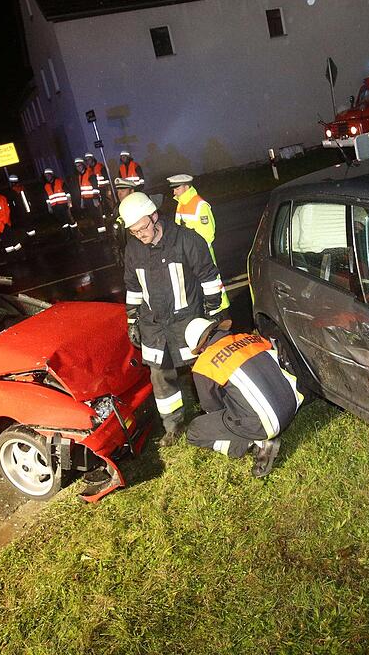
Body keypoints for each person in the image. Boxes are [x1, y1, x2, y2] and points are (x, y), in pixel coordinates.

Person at [119, 192, 226, 445]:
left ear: (155, 216)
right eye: (134, 231)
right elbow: (133, 287)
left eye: (143, 227)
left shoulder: (186, 240)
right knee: (160, 376)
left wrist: (213, 311)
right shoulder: (133, 249)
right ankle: (173, 426)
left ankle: (214, 414)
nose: (141, 235)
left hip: (186, 322)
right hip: (154, 326)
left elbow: (209, 277)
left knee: (200, 370)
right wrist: (132, 319)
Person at [183, 317, 303, 477]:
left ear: (202, 347)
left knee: (195, 431)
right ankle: (256, 436)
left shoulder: (205, 364)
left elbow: (211, 408)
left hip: (266, 422)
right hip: (292, 402)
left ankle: (254, 444)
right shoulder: (249, 337)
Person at [167, 173, 228, 311]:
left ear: (186, 186)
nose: (174, 191)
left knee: (211, 280)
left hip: (201, 253)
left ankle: (219, 309)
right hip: (188, 253)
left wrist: (196, 252)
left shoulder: (200, 205)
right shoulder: (181, 204)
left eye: (177, 188)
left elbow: (208, 234)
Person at [75, 156, 106, 233]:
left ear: (83, 165)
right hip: (87, 200)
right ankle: (98, 233)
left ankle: (103, 234)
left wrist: (95, 199)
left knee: (98, 217)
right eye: (76, 166)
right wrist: (82, 201)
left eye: (79, 165)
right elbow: (82, 189)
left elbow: (95, 187)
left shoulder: (90, 173)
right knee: (93, 217)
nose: (78, 168)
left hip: (93, 199)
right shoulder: (80, 176)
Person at [43, 167, 77, 234]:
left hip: (64, 205)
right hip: (55, 207)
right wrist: (49, 207)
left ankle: (76, 233)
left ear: (52, 174)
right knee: (63, 222)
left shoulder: (60, 182)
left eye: (48, 175)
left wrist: (69, 203)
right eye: (46, 176)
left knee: (70, 219)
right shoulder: (46, 186)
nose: (47, 177)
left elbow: (68, 193)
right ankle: (68, 234)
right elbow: (47, 198)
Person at [5, 172, 37, 238]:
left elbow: (12, 202)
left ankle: (31, 234)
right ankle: (32, 234)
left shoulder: (13, 190)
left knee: (26, 222)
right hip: (27, 208)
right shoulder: (22, 188)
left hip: (21, 209)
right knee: (29, 221)